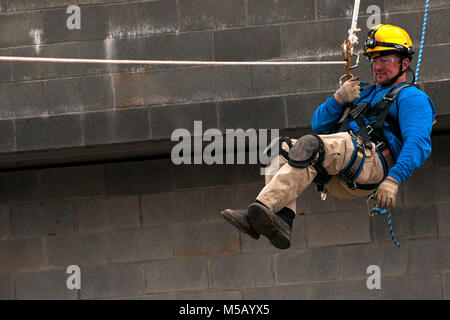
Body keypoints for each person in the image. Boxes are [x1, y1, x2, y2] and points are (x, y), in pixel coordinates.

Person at [221, 24, 436, 249]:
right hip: (343, 164)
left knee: (312, 145)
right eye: (374, 60)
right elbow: (319, 124)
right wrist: (339, 98)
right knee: (280, 149)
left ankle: (259, 211)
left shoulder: (412, 98)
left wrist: (393, 179)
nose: (378, 66)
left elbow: (418, 143)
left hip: (372, 163)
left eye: (386, 60)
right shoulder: (365, 91)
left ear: (404, 63)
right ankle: (283, 219)